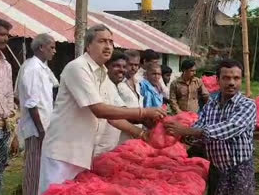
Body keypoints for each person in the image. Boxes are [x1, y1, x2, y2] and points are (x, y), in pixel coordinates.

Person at [39, 24, 165, 194]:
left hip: (84, 153)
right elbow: (99, 110)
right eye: (102, 41)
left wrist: (141, 133)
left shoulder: (103, 74)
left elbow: (113, 115)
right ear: (88, 45)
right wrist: (144, 112)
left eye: (111, 42)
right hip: (63, 152)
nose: (108, 46)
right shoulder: (78, 67)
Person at [165, 59, 256, 195]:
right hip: (216, 168)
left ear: (241, 80)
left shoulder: (248, 105)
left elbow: (230, 128)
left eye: (236, 78)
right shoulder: (210, 106)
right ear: (217, 80)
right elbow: (199, 127)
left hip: (239, 169)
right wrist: (176, 134)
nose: (231, 82)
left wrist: (186, 130)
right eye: (226, 78)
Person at [16, 34, 58, 195]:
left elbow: (54, 86)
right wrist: (41, 130)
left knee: (41, 169)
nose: (54, 51)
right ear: (41, 47)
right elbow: (32, 104)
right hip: (36, 129)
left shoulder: (42, 67)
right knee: (34, 169)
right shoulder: (32, 68)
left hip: (44, 125)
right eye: (51, 47)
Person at [0, 17, 15, 195]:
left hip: (3, 126)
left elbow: (8, 93)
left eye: (7, 35)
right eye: (2, 34)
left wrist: (10, 116)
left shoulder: (6, 65)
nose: (6, 38)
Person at [94, 52, 128, 155]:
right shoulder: (103, 84)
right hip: (97, 149)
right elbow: (112, 116)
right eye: (116, 66)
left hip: (108, 148)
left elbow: (123, 113)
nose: (121, 70)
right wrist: (144, 114)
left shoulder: (113, 86)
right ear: (107, 66)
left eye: (124, 67)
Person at [117, 50, 144, 143]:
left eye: (136, 65)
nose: (133, 68)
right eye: (130, 64)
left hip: (137, 131)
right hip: (120, 132)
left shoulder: (138, 83)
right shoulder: (118, 83)